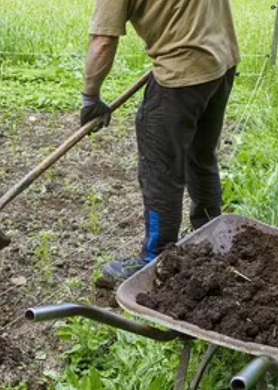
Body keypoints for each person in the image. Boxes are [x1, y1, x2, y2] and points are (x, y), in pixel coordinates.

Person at [80, 0, 240, 285]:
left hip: (181, 75)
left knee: (160, 172)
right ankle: (212, 238)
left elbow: (103, 42)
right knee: (201, 157)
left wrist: (90, 98)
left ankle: (156, 258)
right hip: (221, 60)